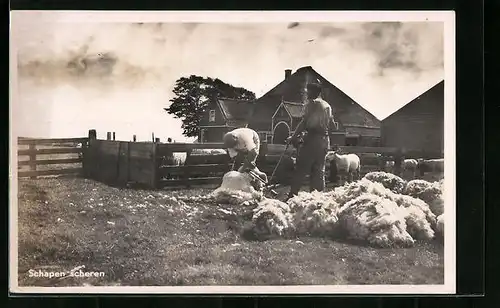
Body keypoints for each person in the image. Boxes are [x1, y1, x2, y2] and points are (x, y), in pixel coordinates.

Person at [287, 78, 337, 199]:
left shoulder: (312, 103)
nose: (307, 94)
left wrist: (293, 137)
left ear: (315, 92)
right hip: (324, 141)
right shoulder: (327, 106)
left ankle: (292, 196)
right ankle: (317, 197)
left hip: (312, 139)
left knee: (301, 167)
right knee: (319, 170)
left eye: (309, 92)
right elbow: (333, 126)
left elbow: (304, 122)